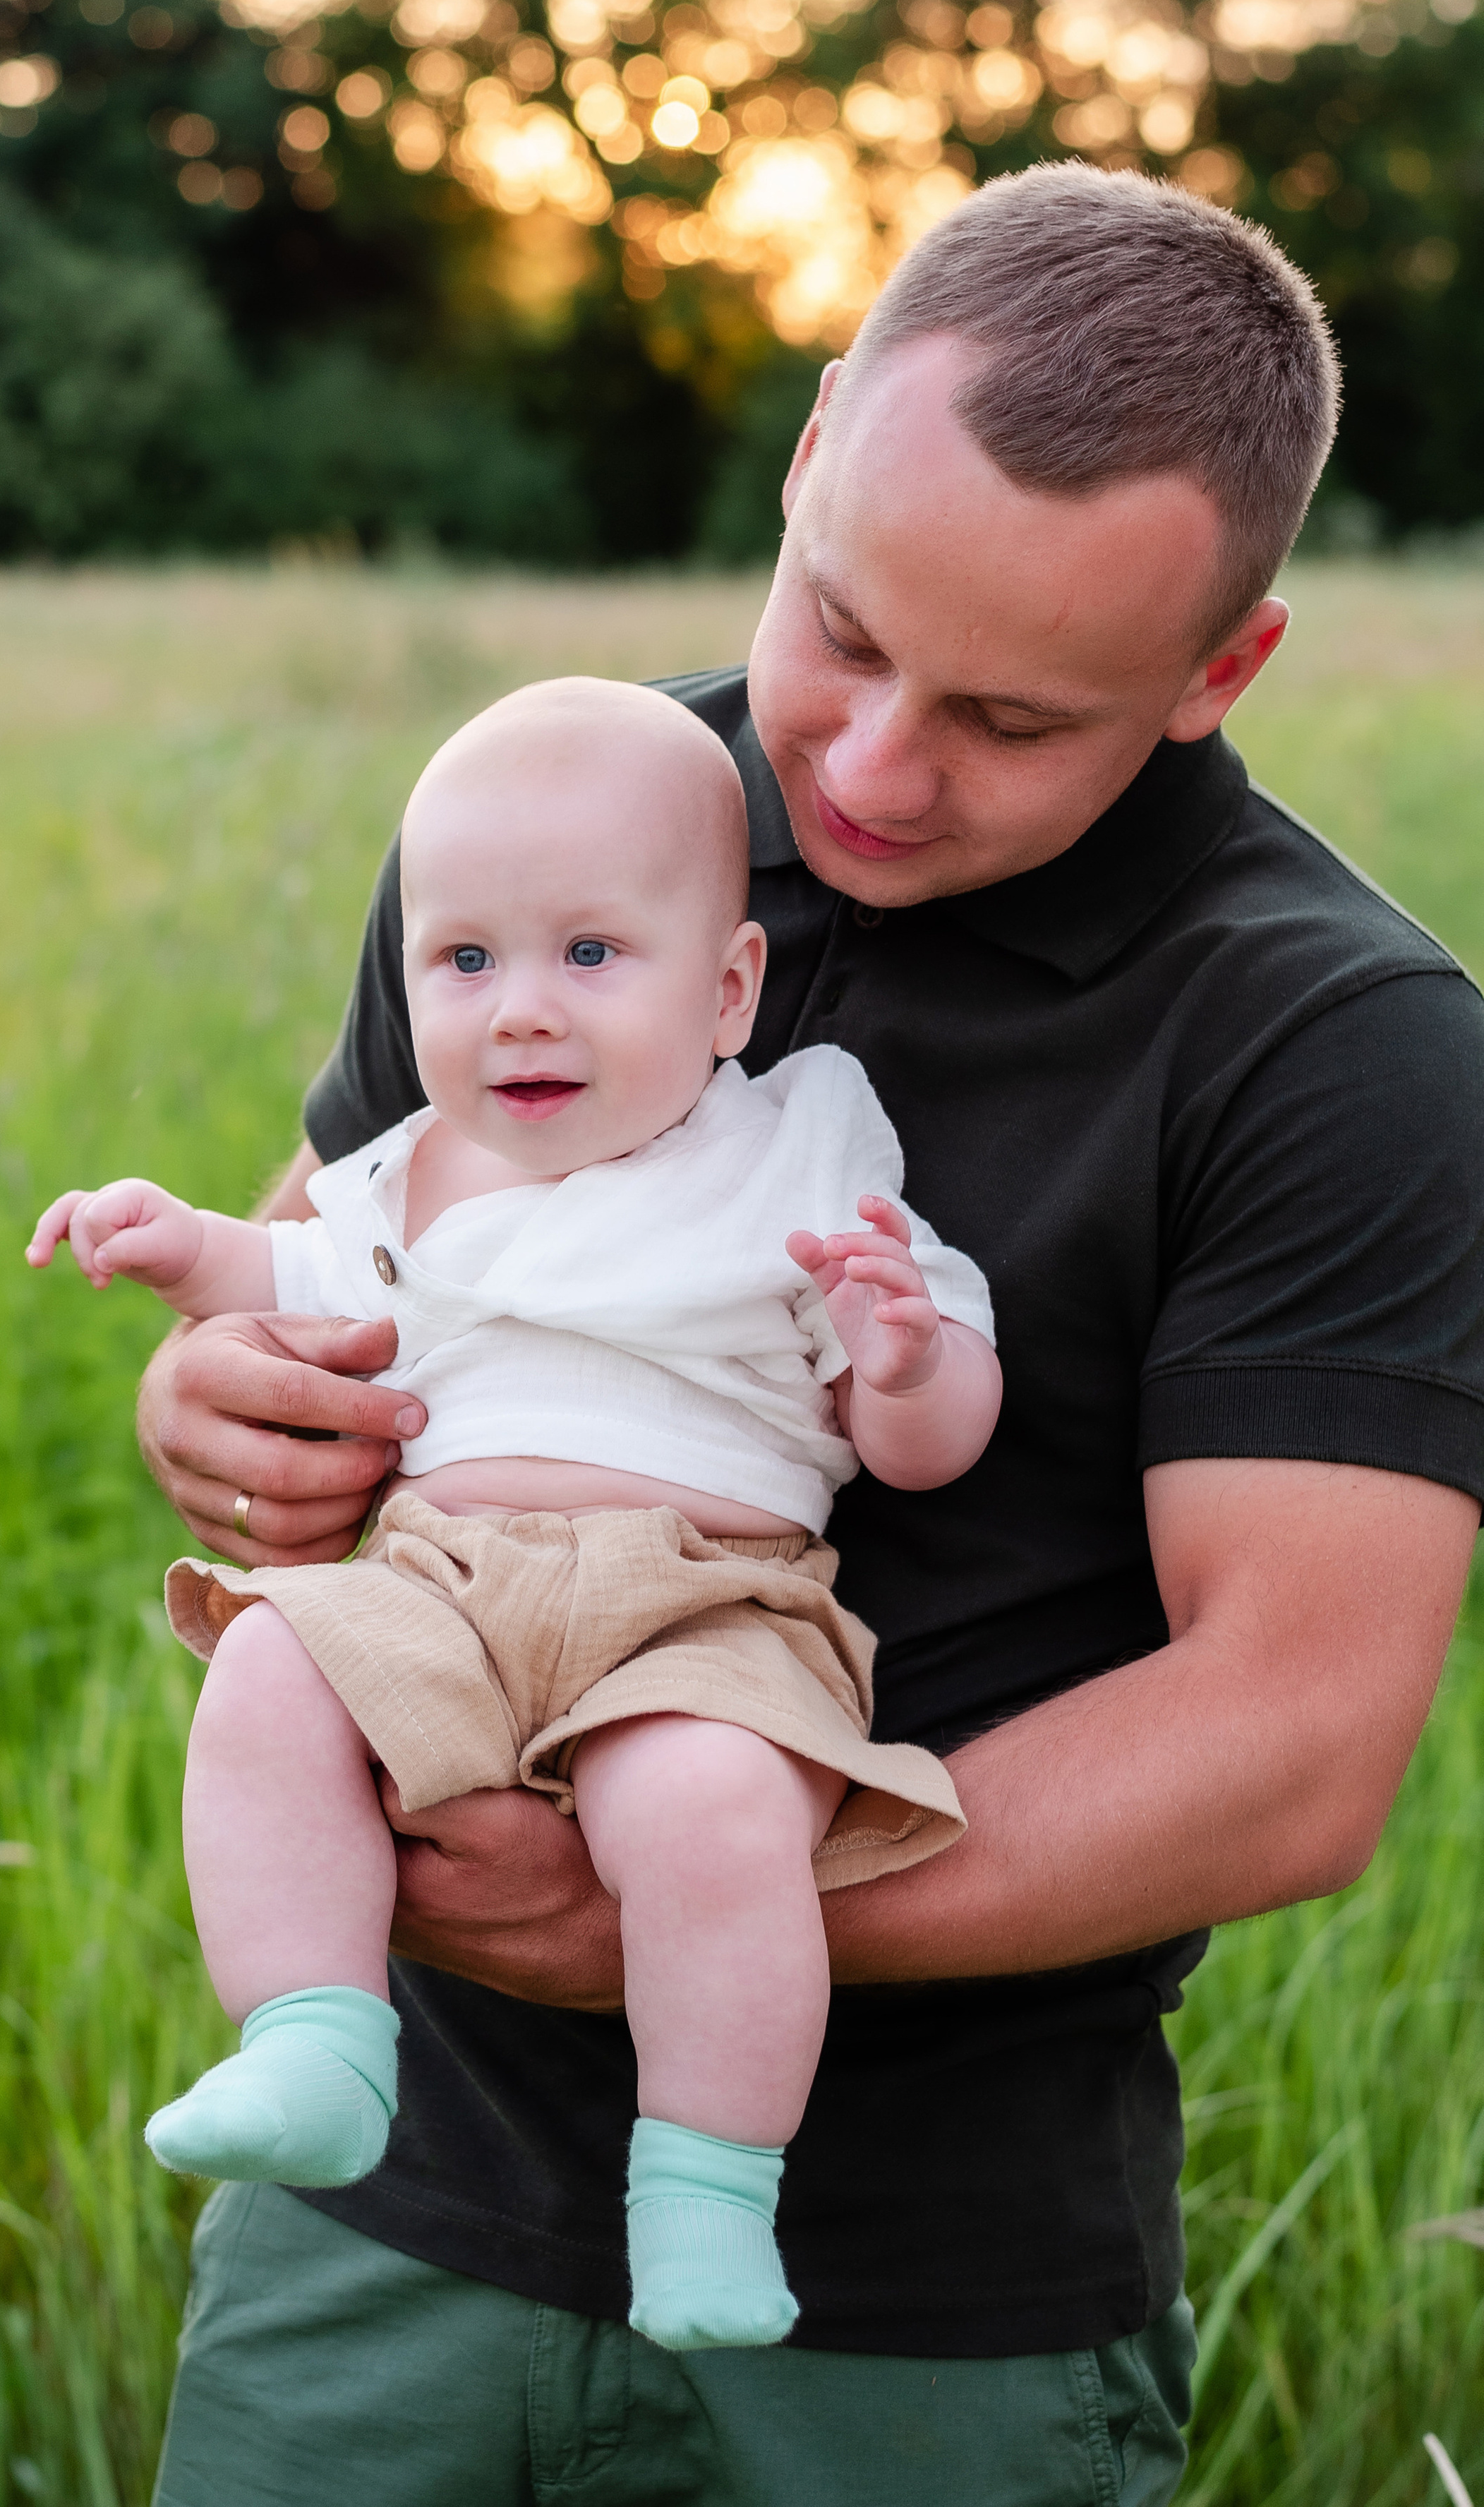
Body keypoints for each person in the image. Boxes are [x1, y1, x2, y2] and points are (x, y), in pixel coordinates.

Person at [136, 166, 1484, 2507]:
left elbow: (1292, 1738)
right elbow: (342, 1285)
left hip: (926, 2310)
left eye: (1008, 714)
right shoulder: (562, 830)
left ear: (1217, 670)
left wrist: (689, 1895)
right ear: (817, 439)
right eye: (840, 630)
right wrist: (222, 1405)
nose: (863, 770)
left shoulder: (1340, 1044)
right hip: (392, 2202)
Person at [30, 678, 1003, 2350]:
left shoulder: (795, 1145)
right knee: (270, 1678)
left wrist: (900, 1352)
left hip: (703, 1596)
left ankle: (702, 2190)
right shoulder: (414, 1168)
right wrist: (174, 1241)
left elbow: (921, 1444)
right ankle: (315, 2040)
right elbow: (289, 1277)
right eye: (463, 962)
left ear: (726, 991)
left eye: (589, 958)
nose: (521, 1015)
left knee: (710, 1819)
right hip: (441, 1581)